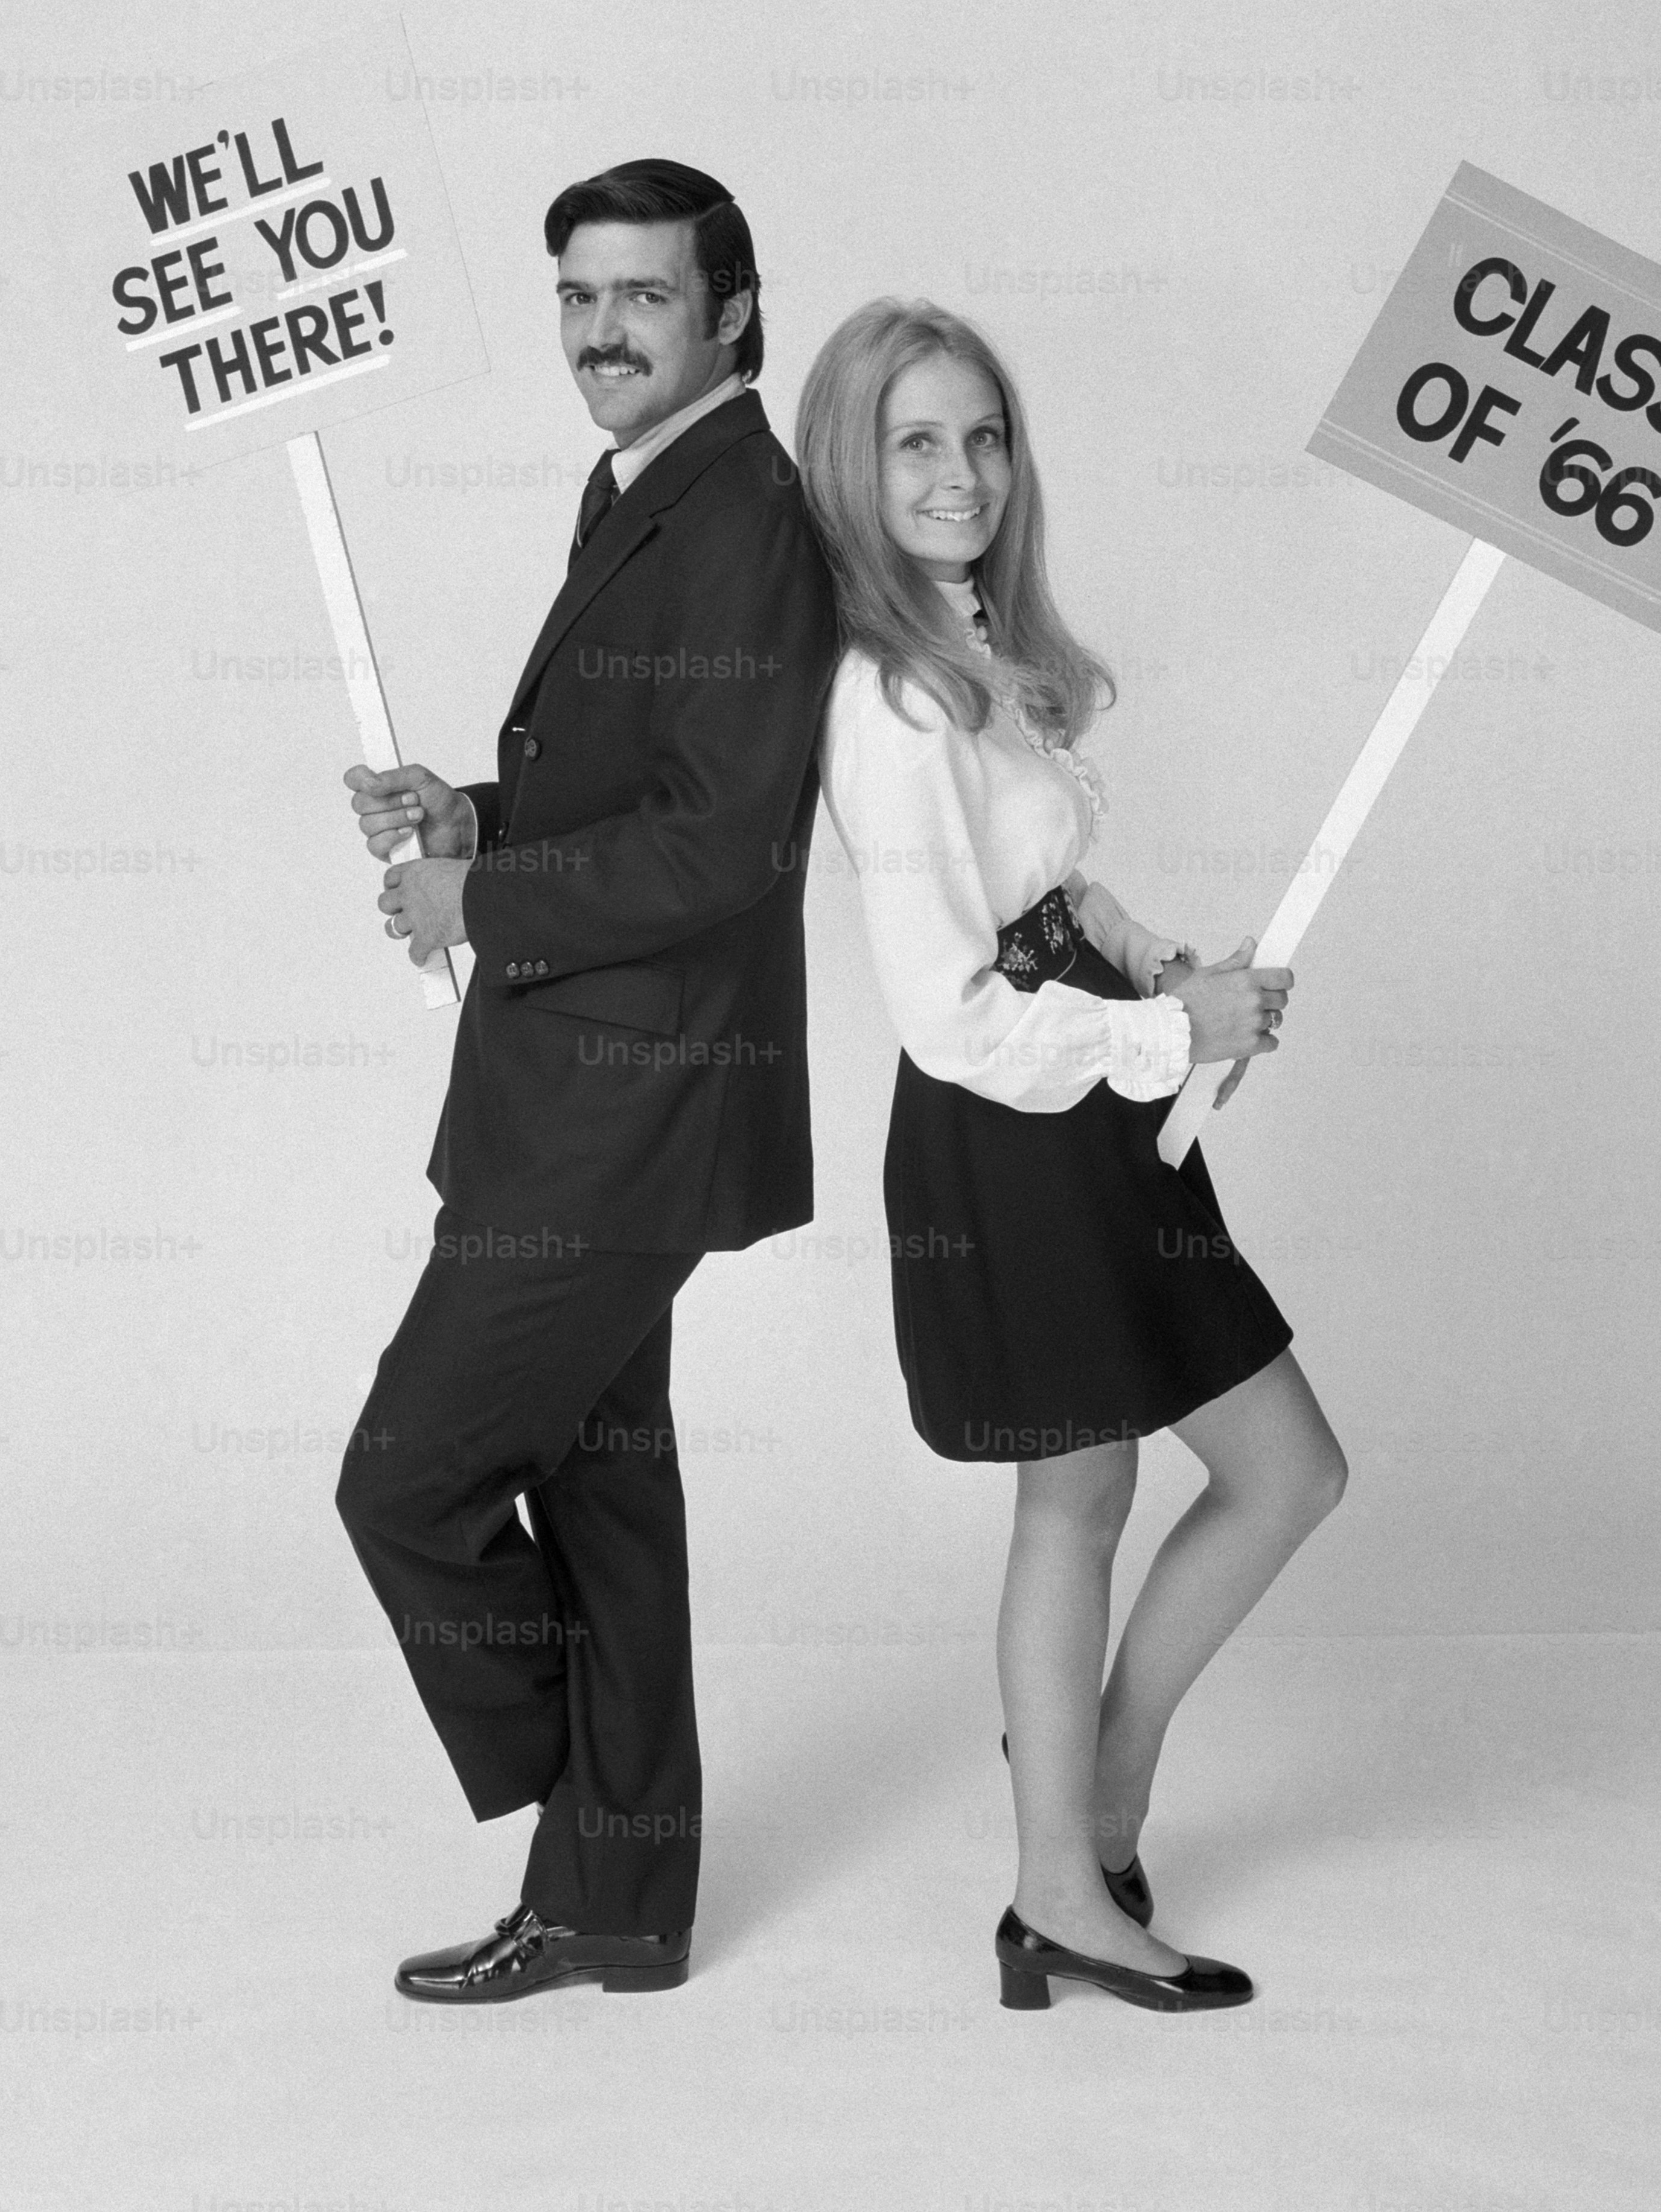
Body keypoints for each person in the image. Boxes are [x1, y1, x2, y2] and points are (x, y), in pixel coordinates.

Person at [797, 298, 1346, 2015]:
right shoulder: (885, 698)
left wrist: (1179, 985)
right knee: (1082, 1492)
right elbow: (951, 1018)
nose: (962, 472)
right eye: (917, 442)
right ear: (852, 469)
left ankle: (1087, 1798)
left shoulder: (973, 651)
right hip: (1013, 1129)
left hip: (1099, 1088)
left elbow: (1051, 901)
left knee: (1281, 1473)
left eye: (984, 435)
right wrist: (1159, 1037)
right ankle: (1063, 1880)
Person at [335, 162, 836, 2004]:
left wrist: (487, 896)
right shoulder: (647, 484)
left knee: (407, 1478)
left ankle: (589, 1819)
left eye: (641, 296)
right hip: (574, 1095)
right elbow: (639, 780)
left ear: (732, 310)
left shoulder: (752, 521)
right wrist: (477, 810)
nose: (602, 332)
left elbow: (726, 847)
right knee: (607, 1499)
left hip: (631, 1113)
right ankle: (619, 1906)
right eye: (575, 296)